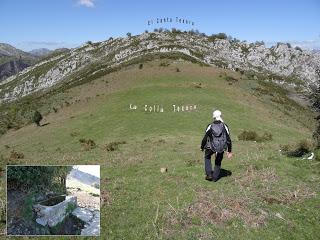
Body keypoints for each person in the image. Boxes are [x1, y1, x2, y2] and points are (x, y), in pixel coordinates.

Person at [200, 110, 232, 181]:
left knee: (207, 157)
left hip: (210, 146)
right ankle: (215, 178)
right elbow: (228, 139)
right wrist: (229, 151)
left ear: (213, 116)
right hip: (221, 147)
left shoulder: (210, 126)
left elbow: (205, 138)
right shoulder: (225, 126)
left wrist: (202, 147)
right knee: (218, 161)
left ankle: (209, 174)